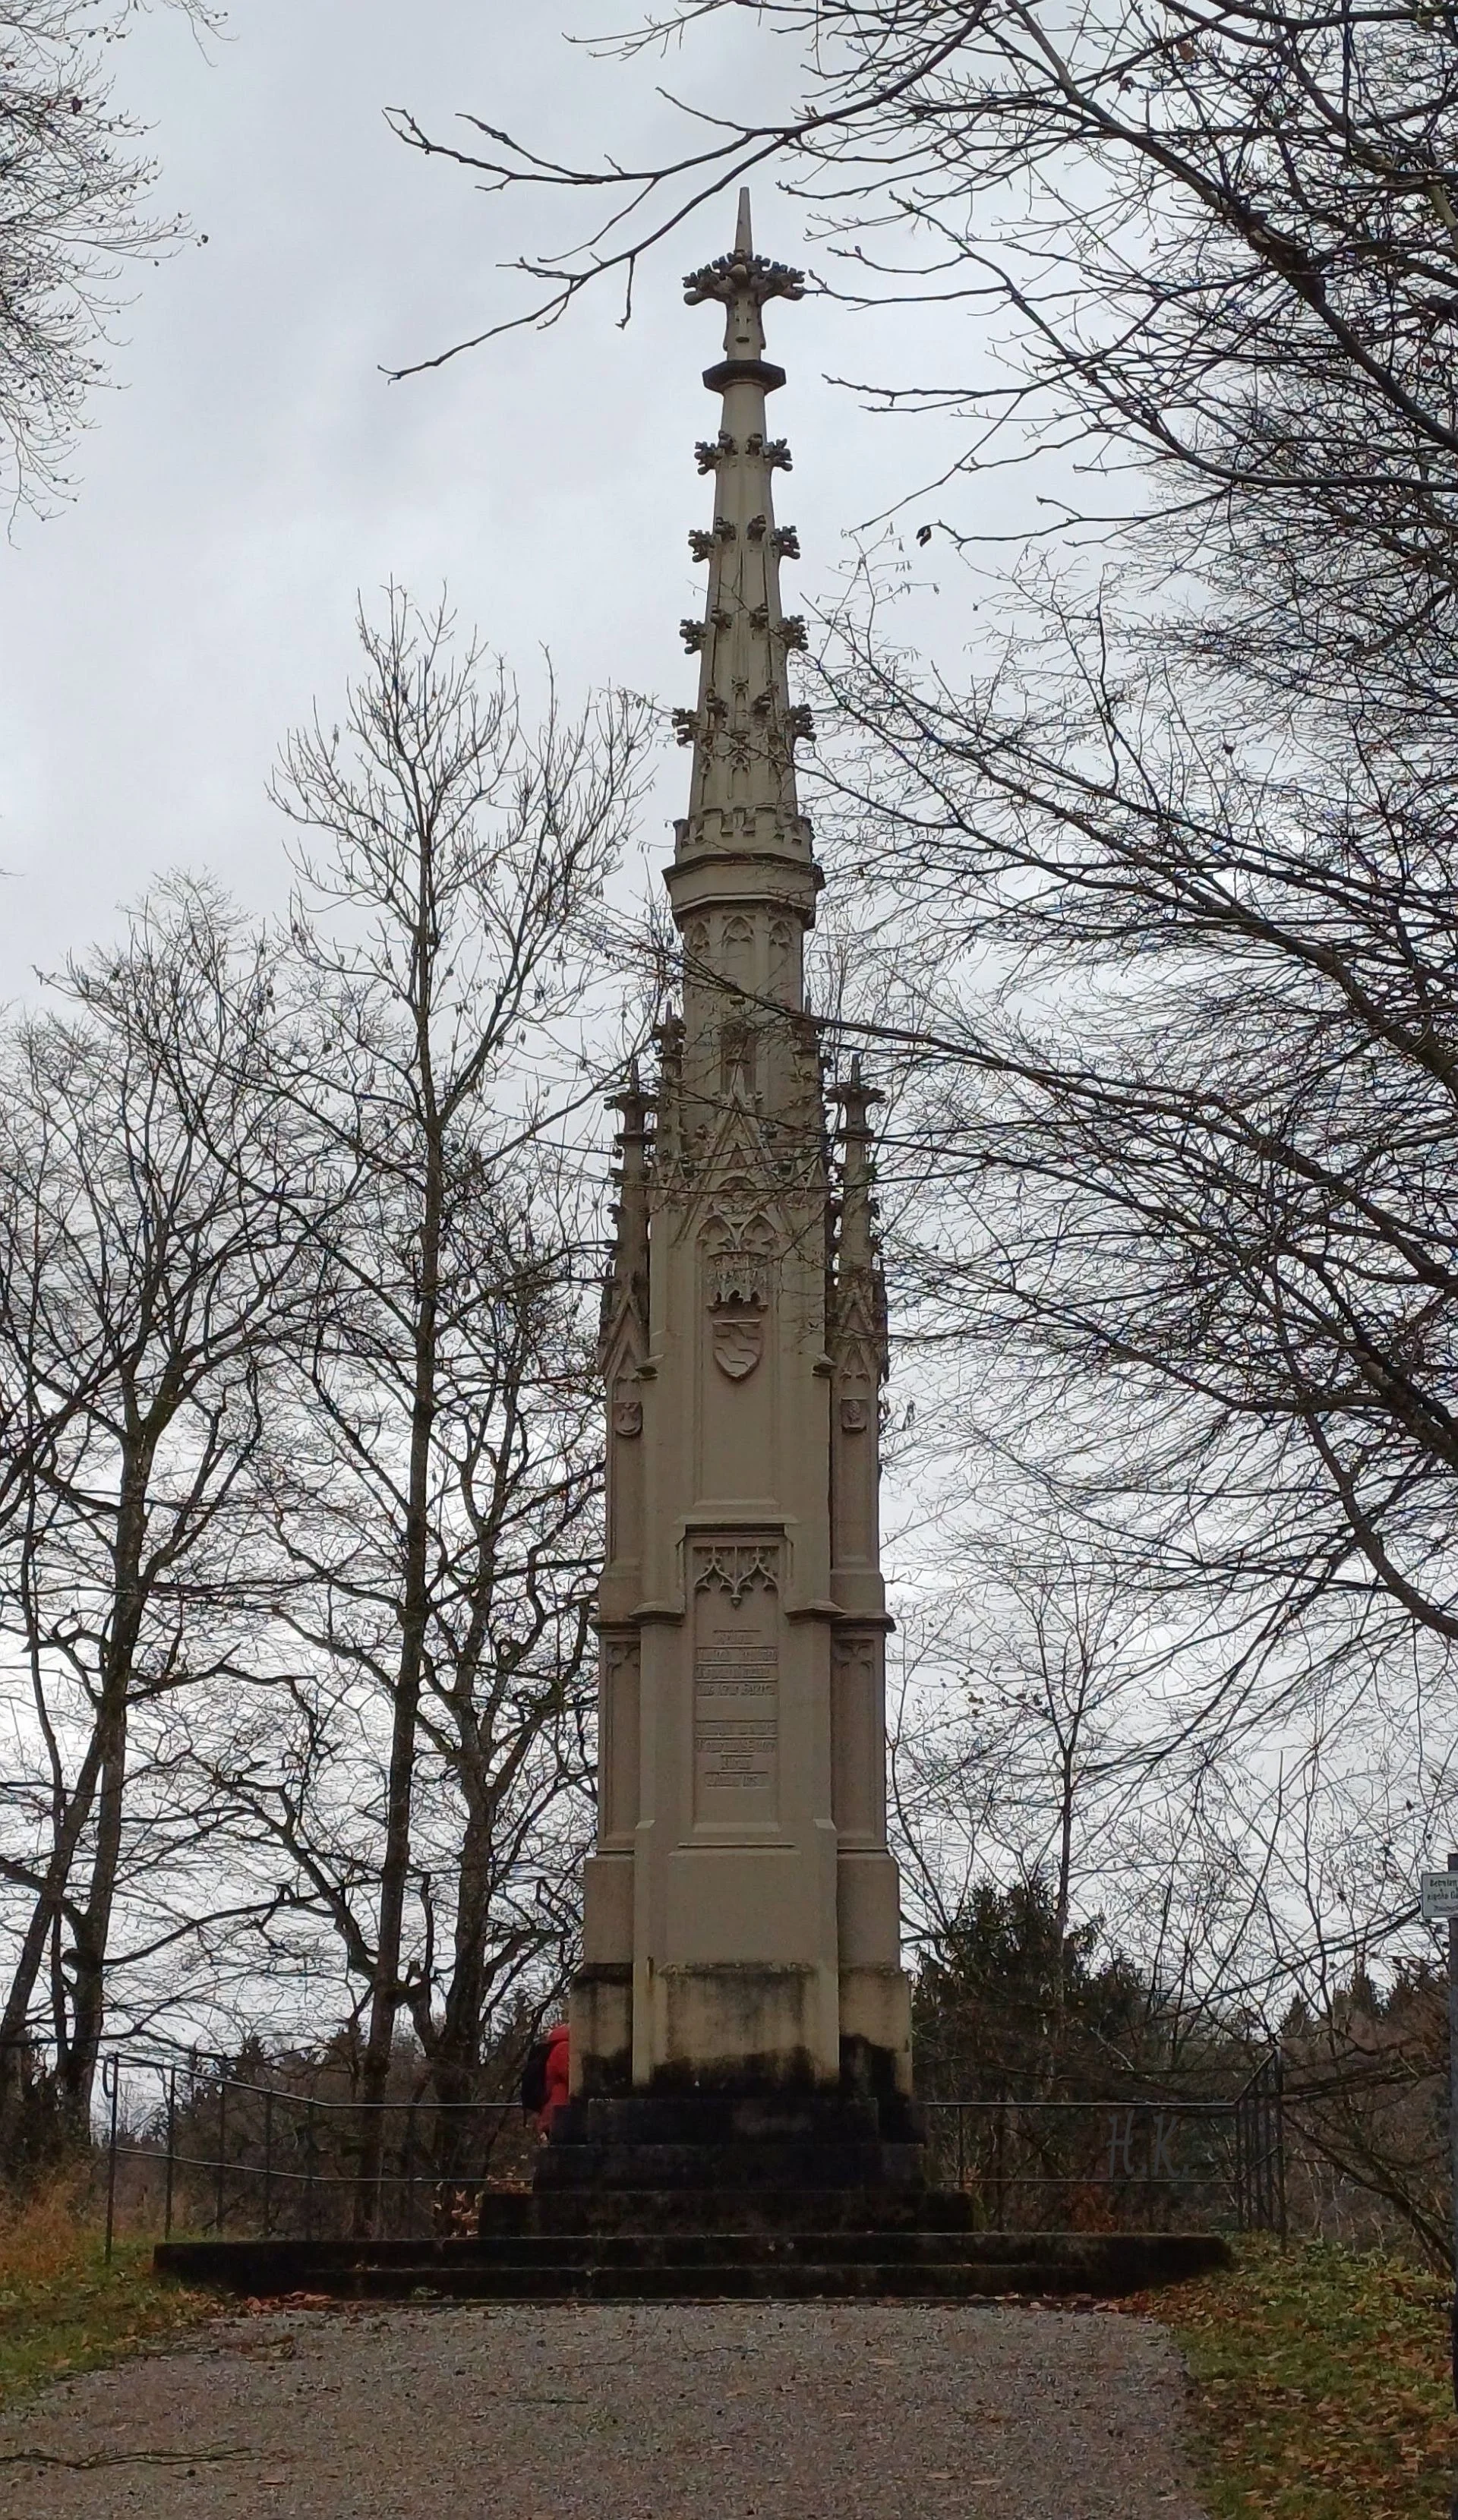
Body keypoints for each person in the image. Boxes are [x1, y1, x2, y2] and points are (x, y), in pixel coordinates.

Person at [521, 2019, 570, 2137]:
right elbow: (571, 2076)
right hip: (561, 2114)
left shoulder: (555, 2047)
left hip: (554, 2113)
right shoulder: (563, 2048)